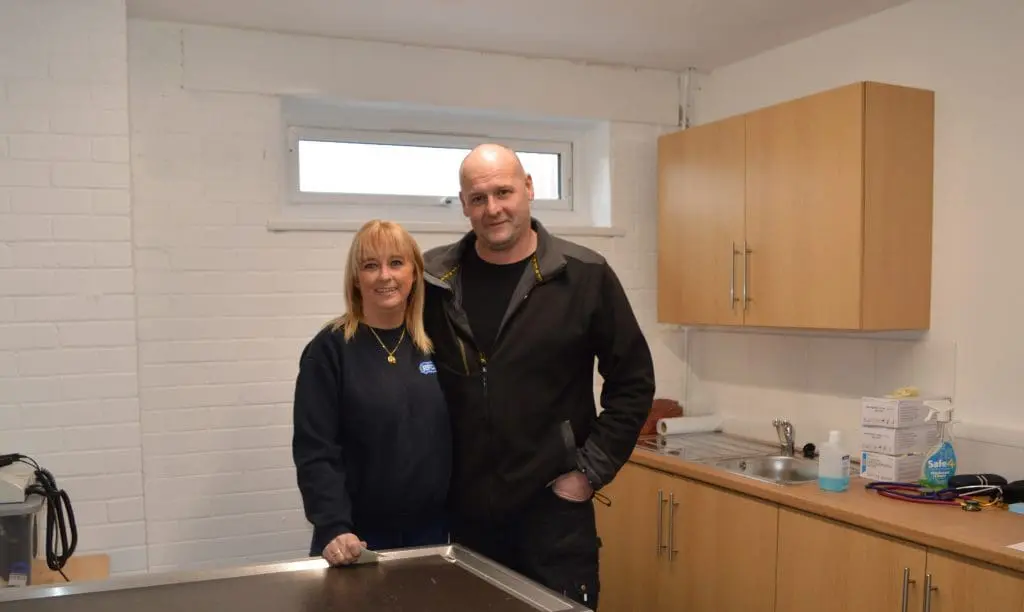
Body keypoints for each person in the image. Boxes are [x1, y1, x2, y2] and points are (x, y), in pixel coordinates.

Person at [421, 143, 656, 609]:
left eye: (504, 191)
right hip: (465, 521)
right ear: (464, 204)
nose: (493, 209)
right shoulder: (434, 279)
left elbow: (632, 383)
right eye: (478, 198)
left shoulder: (584, 275)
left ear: (529, 188)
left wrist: (588, 473)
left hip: (554, 520)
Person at [292, 219, 451, 567]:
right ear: (355, 278)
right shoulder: (329, 350)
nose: (384, 276)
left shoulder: (436, 346)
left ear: (414, 273)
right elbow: (315, 450)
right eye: (370, 265)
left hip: (431, 537)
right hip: (355, 540)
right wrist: (334, 525)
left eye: (396, 263)